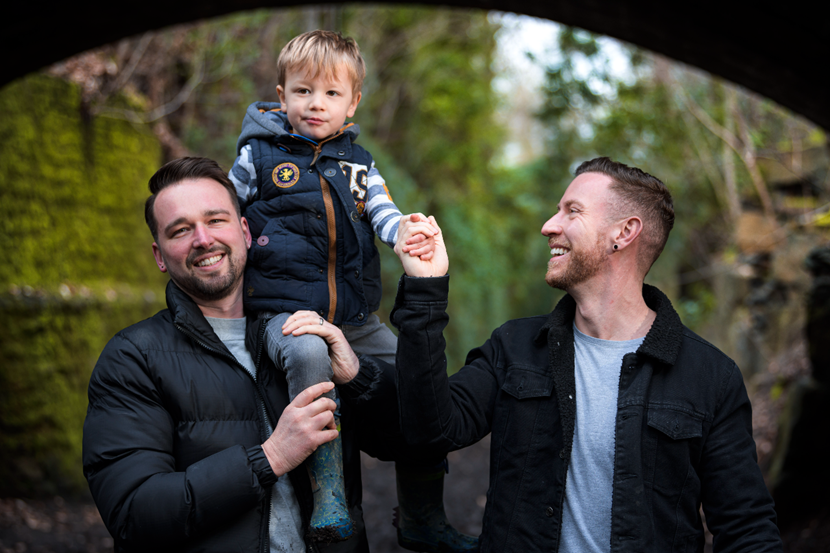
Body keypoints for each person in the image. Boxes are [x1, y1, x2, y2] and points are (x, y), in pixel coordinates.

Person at [390, 157, 784, 552]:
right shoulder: (515, 346)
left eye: (572, 211)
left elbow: (746, 528)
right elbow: (430, 431)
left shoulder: (711, 377)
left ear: (624, 232)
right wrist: (425, 288)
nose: (549, 226)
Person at [228, 30, 476, 552]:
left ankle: (422, 514)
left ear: (353, 102)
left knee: (420, 380)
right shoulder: (258, 157)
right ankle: (329, 492)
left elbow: (382, 212)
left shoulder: (359, 165)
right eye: (302, 91)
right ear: (282, 96)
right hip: (284, 312)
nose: (316, 103)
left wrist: (405, 231)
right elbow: (227, 214)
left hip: (359, 320)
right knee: (307, 349)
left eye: (331, 93)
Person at [82, 157, 408, 553]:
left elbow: (409, 441)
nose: (203, 239)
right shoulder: (132, 359)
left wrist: (358, 377)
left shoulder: (311, 335)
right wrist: (269, 457)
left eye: (216, 220)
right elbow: (133, 513)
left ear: (245, 230)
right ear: (159, 255)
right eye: (181, 230)